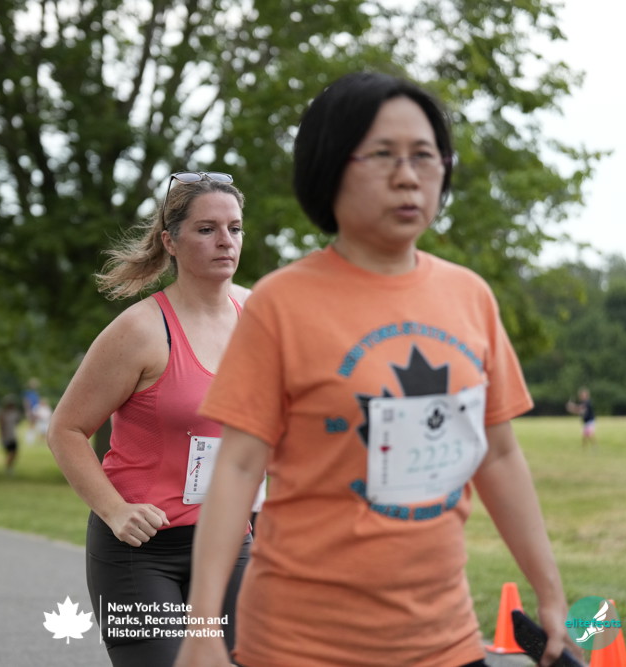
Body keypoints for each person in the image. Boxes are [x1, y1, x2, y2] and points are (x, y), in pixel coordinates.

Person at [173, 72, 580, 667]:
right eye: (383, 155)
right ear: (330, 168)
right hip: (300, 644)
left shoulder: (469, 297)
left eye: (425, 156)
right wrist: (203, 626)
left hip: (444, 640)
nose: (408, 175)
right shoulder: (281, 303)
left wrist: (550, 591)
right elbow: (237, 467)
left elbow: (497, 455)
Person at [47, 170, 254, 667]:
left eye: (234, 228)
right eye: (206, 229)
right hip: (141, 550)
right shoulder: (140, 331)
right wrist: (115, 510)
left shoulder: (259, 315)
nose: (225, 240)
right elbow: (66, 430)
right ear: (170, 242)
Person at [0, 394, 22, 475]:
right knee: (9, 453)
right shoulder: (3, 414)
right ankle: (8, 467)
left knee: (14, 453)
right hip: (7, 436)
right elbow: (1, 426)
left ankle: (10, 467)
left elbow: (17, 421)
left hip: (13, 435)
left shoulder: (14, 413)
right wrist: (2, 436)